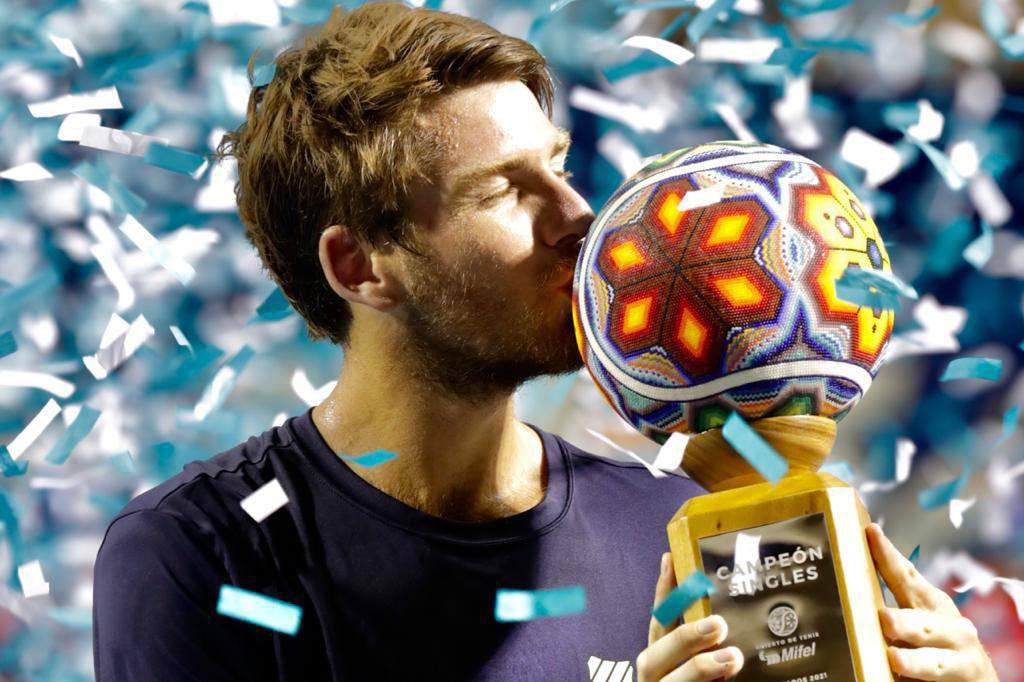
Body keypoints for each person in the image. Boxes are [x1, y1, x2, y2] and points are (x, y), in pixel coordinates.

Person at [92, 3, 998, 681]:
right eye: (503, 191)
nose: (578, 216)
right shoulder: (199, 555)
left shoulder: (676, 520)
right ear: (361, 266)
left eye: (559, 167)